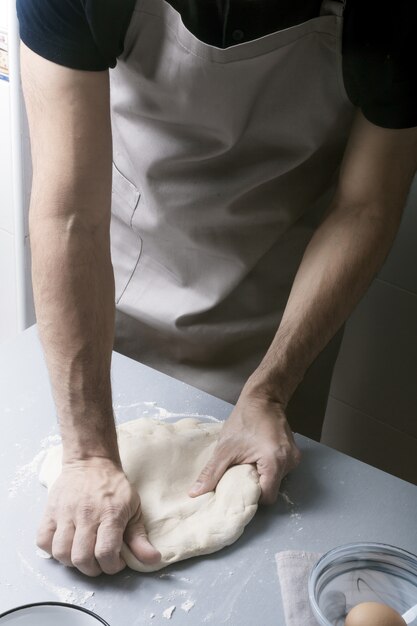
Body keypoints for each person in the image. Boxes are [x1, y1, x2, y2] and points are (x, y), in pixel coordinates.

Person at [17, 0, 417, 577]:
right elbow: (70, 214)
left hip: (282, 309)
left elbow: (365, 206)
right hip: (116, 286)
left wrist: (271, 390)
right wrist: (87, 454)